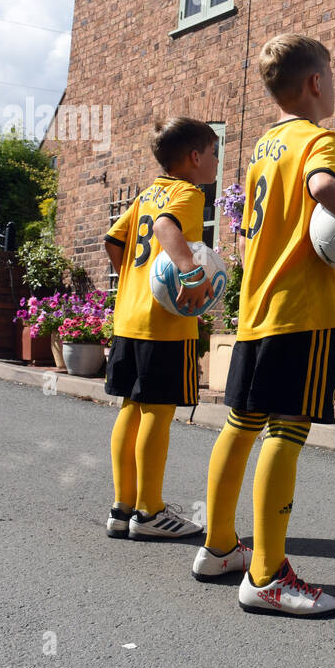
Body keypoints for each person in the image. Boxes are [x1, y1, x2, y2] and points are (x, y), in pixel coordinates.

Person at [198, 34, 335, 613]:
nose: (334, 87)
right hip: (303, 313)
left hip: (256, 310)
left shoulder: (264, 146)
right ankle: (267, 576)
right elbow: (324, 189)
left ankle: (219, 547)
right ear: (316, 82)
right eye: (333, 77)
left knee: (241, 424)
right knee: (286, 434)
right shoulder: (320, 138)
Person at [103, 117, 219, 542]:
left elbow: (114, 243)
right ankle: (150, 511)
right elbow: (166, 228)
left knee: (130, 410)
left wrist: (136, 283)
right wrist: (189, 273)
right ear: (194, 158)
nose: (216, 160)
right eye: (213, 152)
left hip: (129, 317)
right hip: (164, 324)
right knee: (158, 411)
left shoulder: (146, 194)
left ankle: (123, 507)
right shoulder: (187, 193)